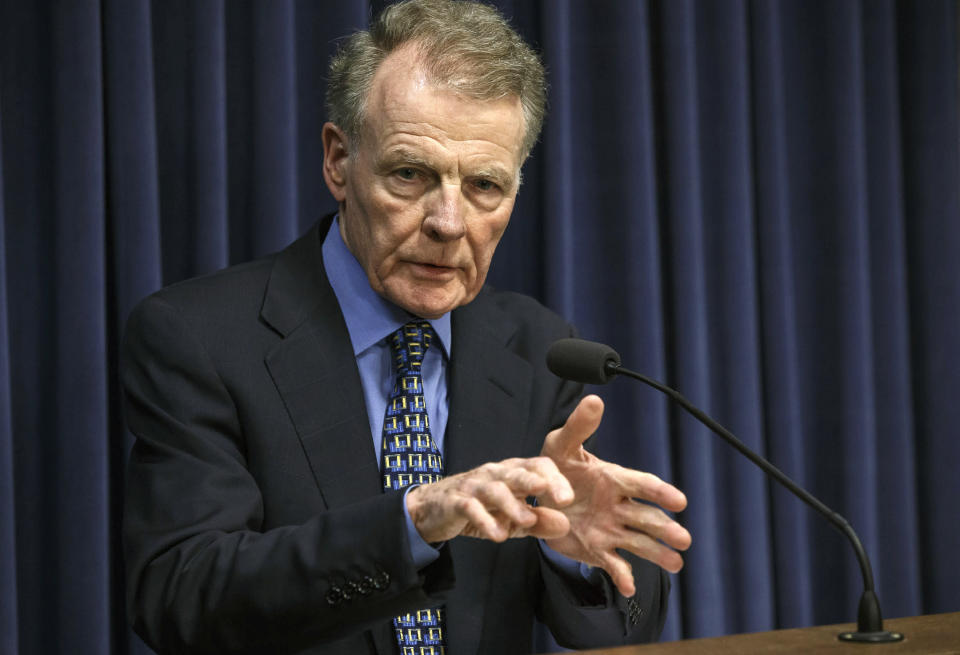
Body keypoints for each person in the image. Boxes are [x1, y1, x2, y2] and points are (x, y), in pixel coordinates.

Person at [121, 1, 691, 653]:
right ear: (339, 160)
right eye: (410, 174)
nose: (448, 222)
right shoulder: (198, 339)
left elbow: (626, 623)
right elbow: (183, 598)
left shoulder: (538, 350)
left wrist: (576, 553)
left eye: (484, 185)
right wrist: (413, 521)